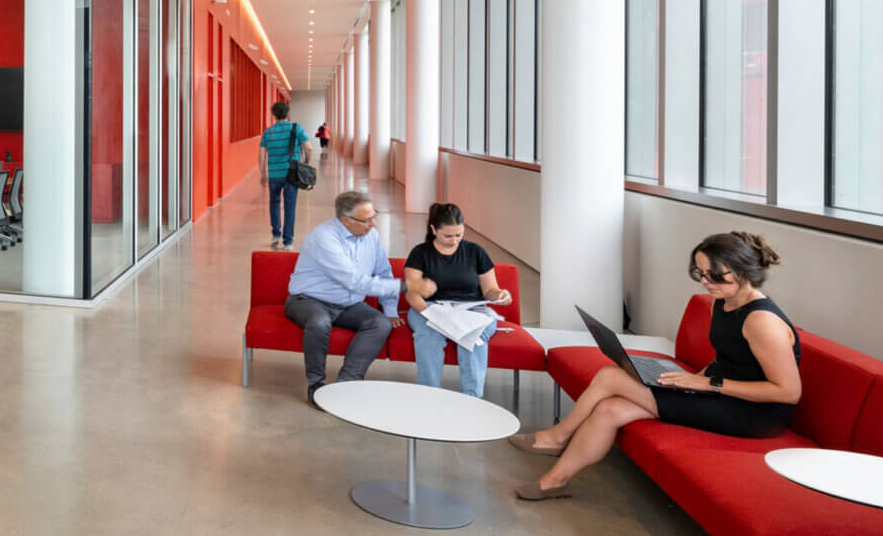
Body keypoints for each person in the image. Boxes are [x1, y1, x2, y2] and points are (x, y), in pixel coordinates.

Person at [511, 230, 800, 501]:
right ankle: (555, 482)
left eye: (713, 275)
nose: (705, 282)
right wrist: (694, 379)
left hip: (752, 414)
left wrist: (708, 385)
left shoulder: (761, 321)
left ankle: (558, 437)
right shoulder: (723, 302)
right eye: (699, 273)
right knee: (609, 409)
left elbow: (788, 392)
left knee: (611, 377)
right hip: (720, 394)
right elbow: (731, 357)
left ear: (742, 270)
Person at [284, 189, 399, 400]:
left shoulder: (371, 236)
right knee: (319, 322)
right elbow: (353, 281)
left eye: (374, 216)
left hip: (348, 305)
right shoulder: (324, 237)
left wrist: (390, 309)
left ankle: (346, 385)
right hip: (307, 300)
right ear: (346, 220)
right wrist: (405, 286)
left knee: (380, 323)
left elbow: (383, 272)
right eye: (367, 220)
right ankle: (315, 386)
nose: (373, 224)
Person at [402, 203, 513, 396]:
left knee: (474, 336)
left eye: (458, 235)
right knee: (428, 336)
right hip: (430, 307)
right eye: (448, 236)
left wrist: (500, 295)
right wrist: (432, 315)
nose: (454, 241)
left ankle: (472, 398)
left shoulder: (475, 251)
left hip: (471, 310)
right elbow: (412, 293)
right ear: (433, 229)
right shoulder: (420, 253)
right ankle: (428, 396)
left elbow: (490, 290)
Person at [258, 100, 310, 249]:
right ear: (288, 114)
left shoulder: (268, 132)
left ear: (273, 115)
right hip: (291, 174)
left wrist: (263, 174)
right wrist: (305, 163)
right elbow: (309, 148)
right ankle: (288, 242)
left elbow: (261, 155)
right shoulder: (296, 128)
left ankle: (275, 234)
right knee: (290, 206)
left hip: (274, 174)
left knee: (274, 203)